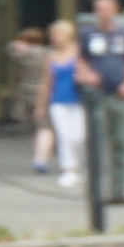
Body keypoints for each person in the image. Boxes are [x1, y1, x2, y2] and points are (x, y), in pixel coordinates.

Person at [80, 0, 124, 204]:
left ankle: (119, 191)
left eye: (106, 8)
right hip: (97, 95)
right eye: (98, 9)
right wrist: (88, 75)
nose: (102, 13)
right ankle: (96, 192)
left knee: (122, 143)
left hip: (120, 95)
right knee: (96, 144)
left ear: (115, 10)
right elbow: (79, 59)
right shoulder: (87, 33)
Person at [39, 19, 88, 190]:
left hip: (78, 100)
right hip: (58, 101)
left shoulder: (79, 52)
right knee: (64, 135)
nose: (55, 38)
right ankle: (68, 169)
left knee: (79, 136)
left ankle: (80, 166)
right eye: (53, 35)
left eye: (59, 34)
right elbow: (47, 81)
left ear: (68, 35)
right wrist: (42, 105)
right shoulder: (51, 56)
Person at [9, 26, 53, 168]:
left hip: (25, 92)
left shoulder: (22, 54)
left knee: (32, 125)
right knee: (44, 124)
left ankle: (39, 151)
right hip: (42, 92)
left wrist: (19, 45)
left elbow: (9, 49)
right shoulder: (47, 53)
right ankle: (42, 153)